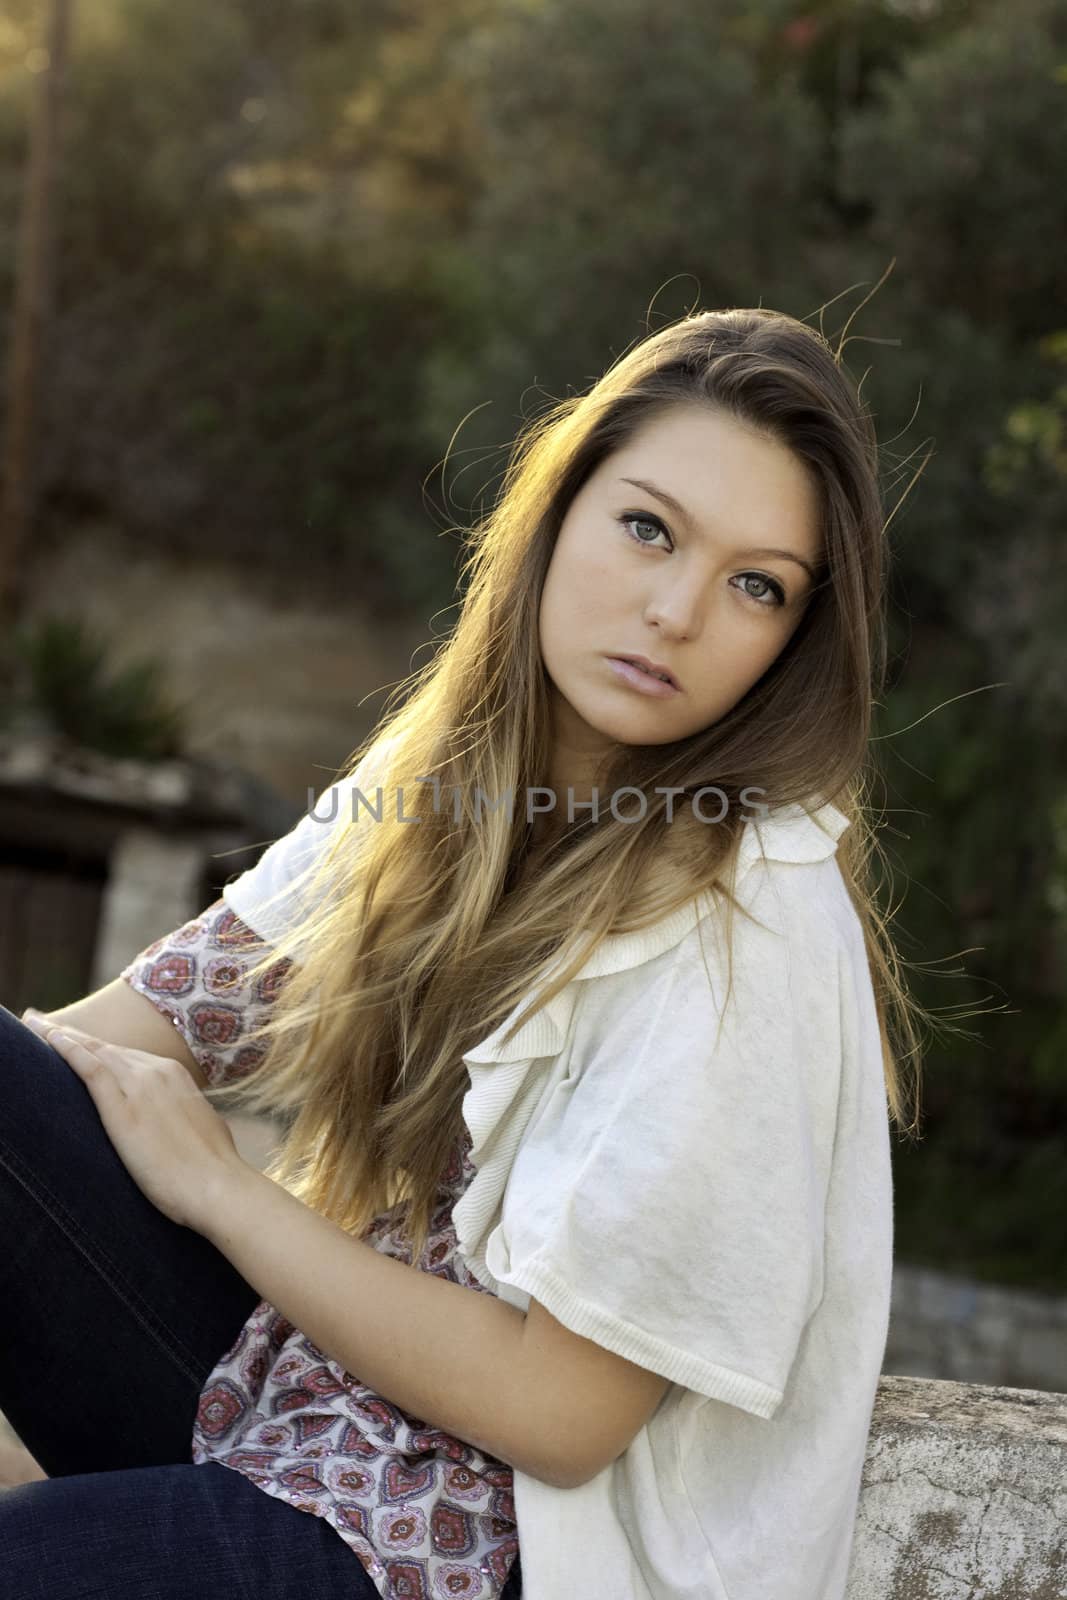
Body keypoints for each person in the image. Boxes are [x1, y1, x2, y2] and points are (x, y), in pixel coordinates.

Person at [1, 307, 941, 1599]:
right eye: (649, 528)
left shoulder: (755, 917)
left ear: (795, 640)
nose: (675, 612)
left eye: (755, 585)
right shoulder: (442, 786)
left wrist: (221, 1190)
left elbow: (564, 1411)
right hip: (293, 1413)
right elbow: (109, 1047)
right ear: (558, 515)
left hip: (472, 1556)